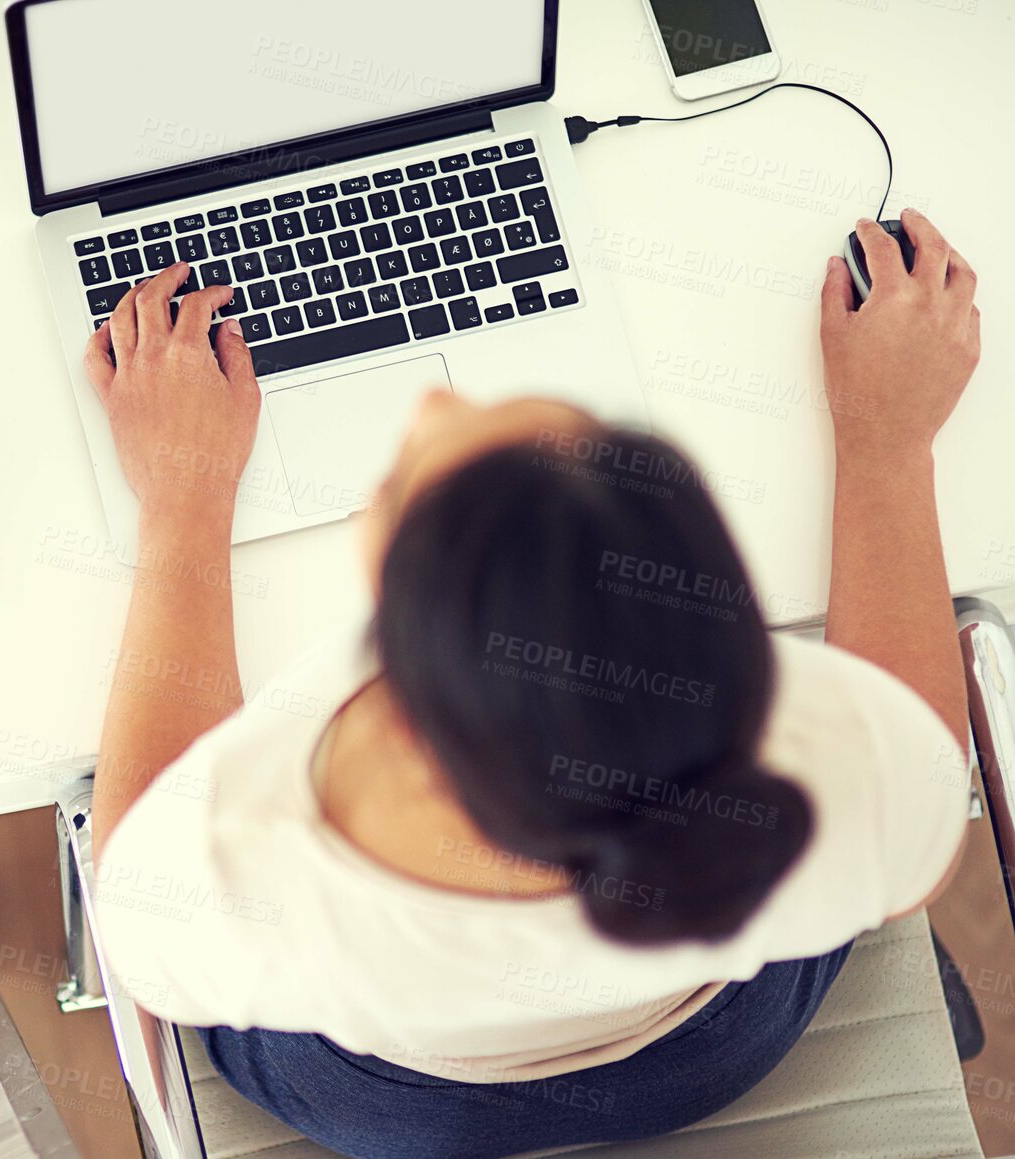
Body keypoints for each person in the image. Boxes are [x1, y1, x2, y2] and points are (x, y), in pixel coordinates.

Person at [83, 210, 982, 1157]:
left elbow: (145, 920)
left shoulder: (246, 847)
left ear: (408, 719)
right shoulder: (822, 761)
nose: (433, 406)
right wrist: (888, 442)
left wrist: (182, 492)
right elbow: (906, 852)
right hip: (708, 1050)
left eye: (407, 487)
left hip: (397, 1103)